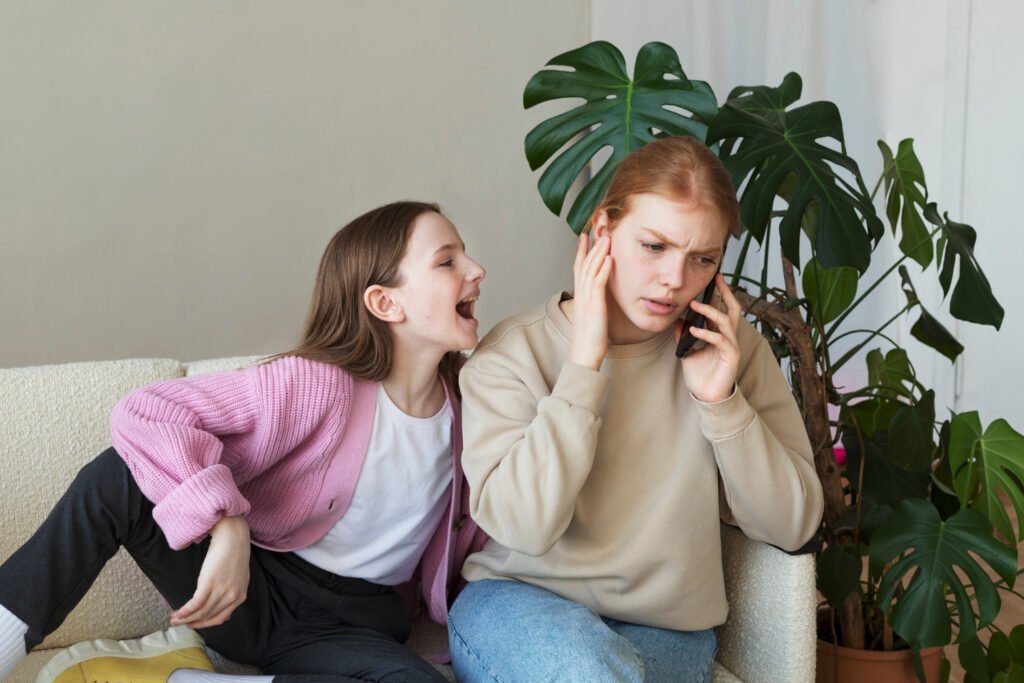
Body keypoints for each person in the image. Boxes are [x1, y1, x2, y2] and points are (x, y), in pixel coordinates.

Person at [0, 201, 488, 683]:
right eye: (447, 261)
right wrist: (226, 524)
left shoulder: (475, 406)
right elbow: (146, 412)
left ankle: (185, 680)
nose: (476, 270)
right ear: (386, 302)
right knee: (117, 476)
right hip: (245, 594)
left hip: (352, 628)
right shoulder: (315, 385)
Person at [447, 136, 825, 683]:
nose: (675, 279)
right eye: (654, 246)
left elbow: (792, 526)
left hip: (665, 629)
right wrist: (583, 367)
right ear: (603, 233)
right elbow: (525, 528)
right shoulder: (514, 351)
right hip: (517, 606)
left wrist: (721, 403)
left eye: (703, 259)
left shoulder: (728, 351)